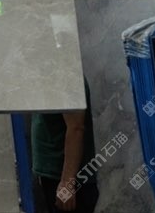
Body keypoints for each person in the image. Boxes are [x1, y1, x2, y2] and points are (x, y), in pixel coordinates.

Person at [31, 79, 99, 213]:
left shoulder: (67, 78)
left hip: (66, 181)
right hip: (51, 177)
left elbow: (76, 128)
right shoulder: (49, 76)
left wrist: (67, 183)